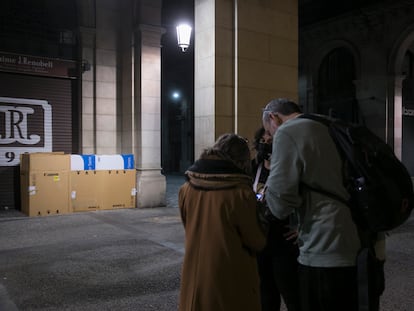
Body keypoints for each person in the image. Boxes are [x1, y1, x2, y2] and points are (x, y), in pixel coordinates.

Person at [261, 98, 361, 311]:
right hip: (357, 238)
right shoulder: (328, 125)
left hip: (323, 245)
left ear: (273, 117)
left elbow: (279, 204)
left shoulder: (289, 132)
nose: (270, 137)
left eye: (269, 132)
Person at [178, 133, 267, 311]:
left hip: (194, 276)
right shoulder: (240, 193)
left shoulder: (186, 188)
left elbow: (188, 224)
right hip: (230, 277)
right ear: (242, 160)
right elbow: (256, 240)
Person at [251, 127, 301, 311]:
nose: (265, 146)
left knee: (292, 293)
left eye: (270, 142)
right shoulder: (253, 167)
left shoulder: (289, 169)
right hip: (260, 242)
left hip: (284, 242)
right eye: (262, 142)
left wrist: (300, 227)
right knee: (265, 295)